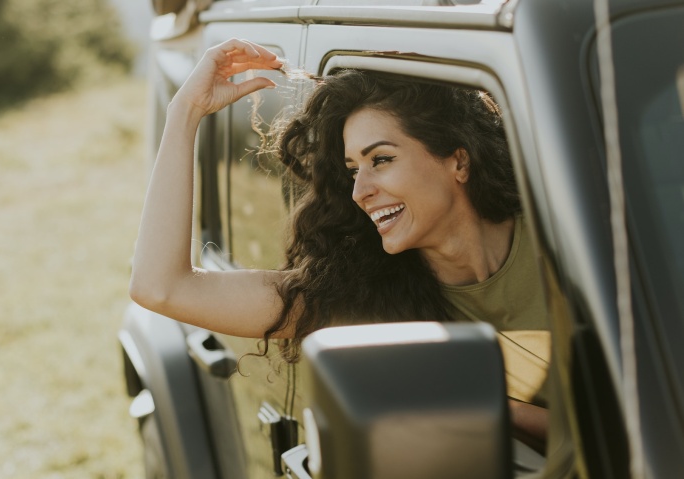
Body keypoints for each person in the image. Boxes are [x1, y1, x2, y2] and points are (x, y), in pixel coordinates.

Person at [129, 39, 550, 453]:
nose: (360, 191)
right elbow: (161, 287)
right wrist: (184, 112)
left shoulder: (565, 243)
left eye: (381, 160)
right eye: (353, 170)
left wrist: (483, 405)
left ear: (458, 160)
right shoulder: (364, 298)